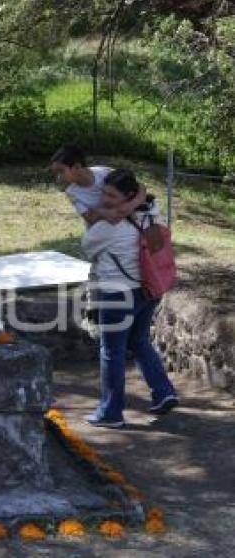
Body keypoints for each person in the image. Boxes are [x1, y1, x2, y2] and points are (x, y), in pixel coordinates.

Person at [81, 169, 179, 428]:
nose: (105, 199)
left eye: (111, 195)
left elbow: (87, 247)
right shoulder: (151, 214)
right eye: (103, 193)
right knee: (139, 341)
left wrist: (97, 218)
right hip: (148, 289)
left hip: (117, 294)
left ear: (129, 197)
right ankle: (164, 392)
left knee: (111, 351)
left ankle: (110, 413)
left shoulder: (106, 227)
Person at [50, 143, 146, 227]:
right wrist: (101, 212)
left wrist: (132, 204)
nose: (59, 177)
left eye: (61, 171)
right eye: (56, 173)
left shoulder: (104, 172)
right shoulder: (71, 192)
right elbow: (89, 218)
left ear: (77, 167)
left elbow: (139, 186)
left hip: (128, 224)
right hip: (100, 231)